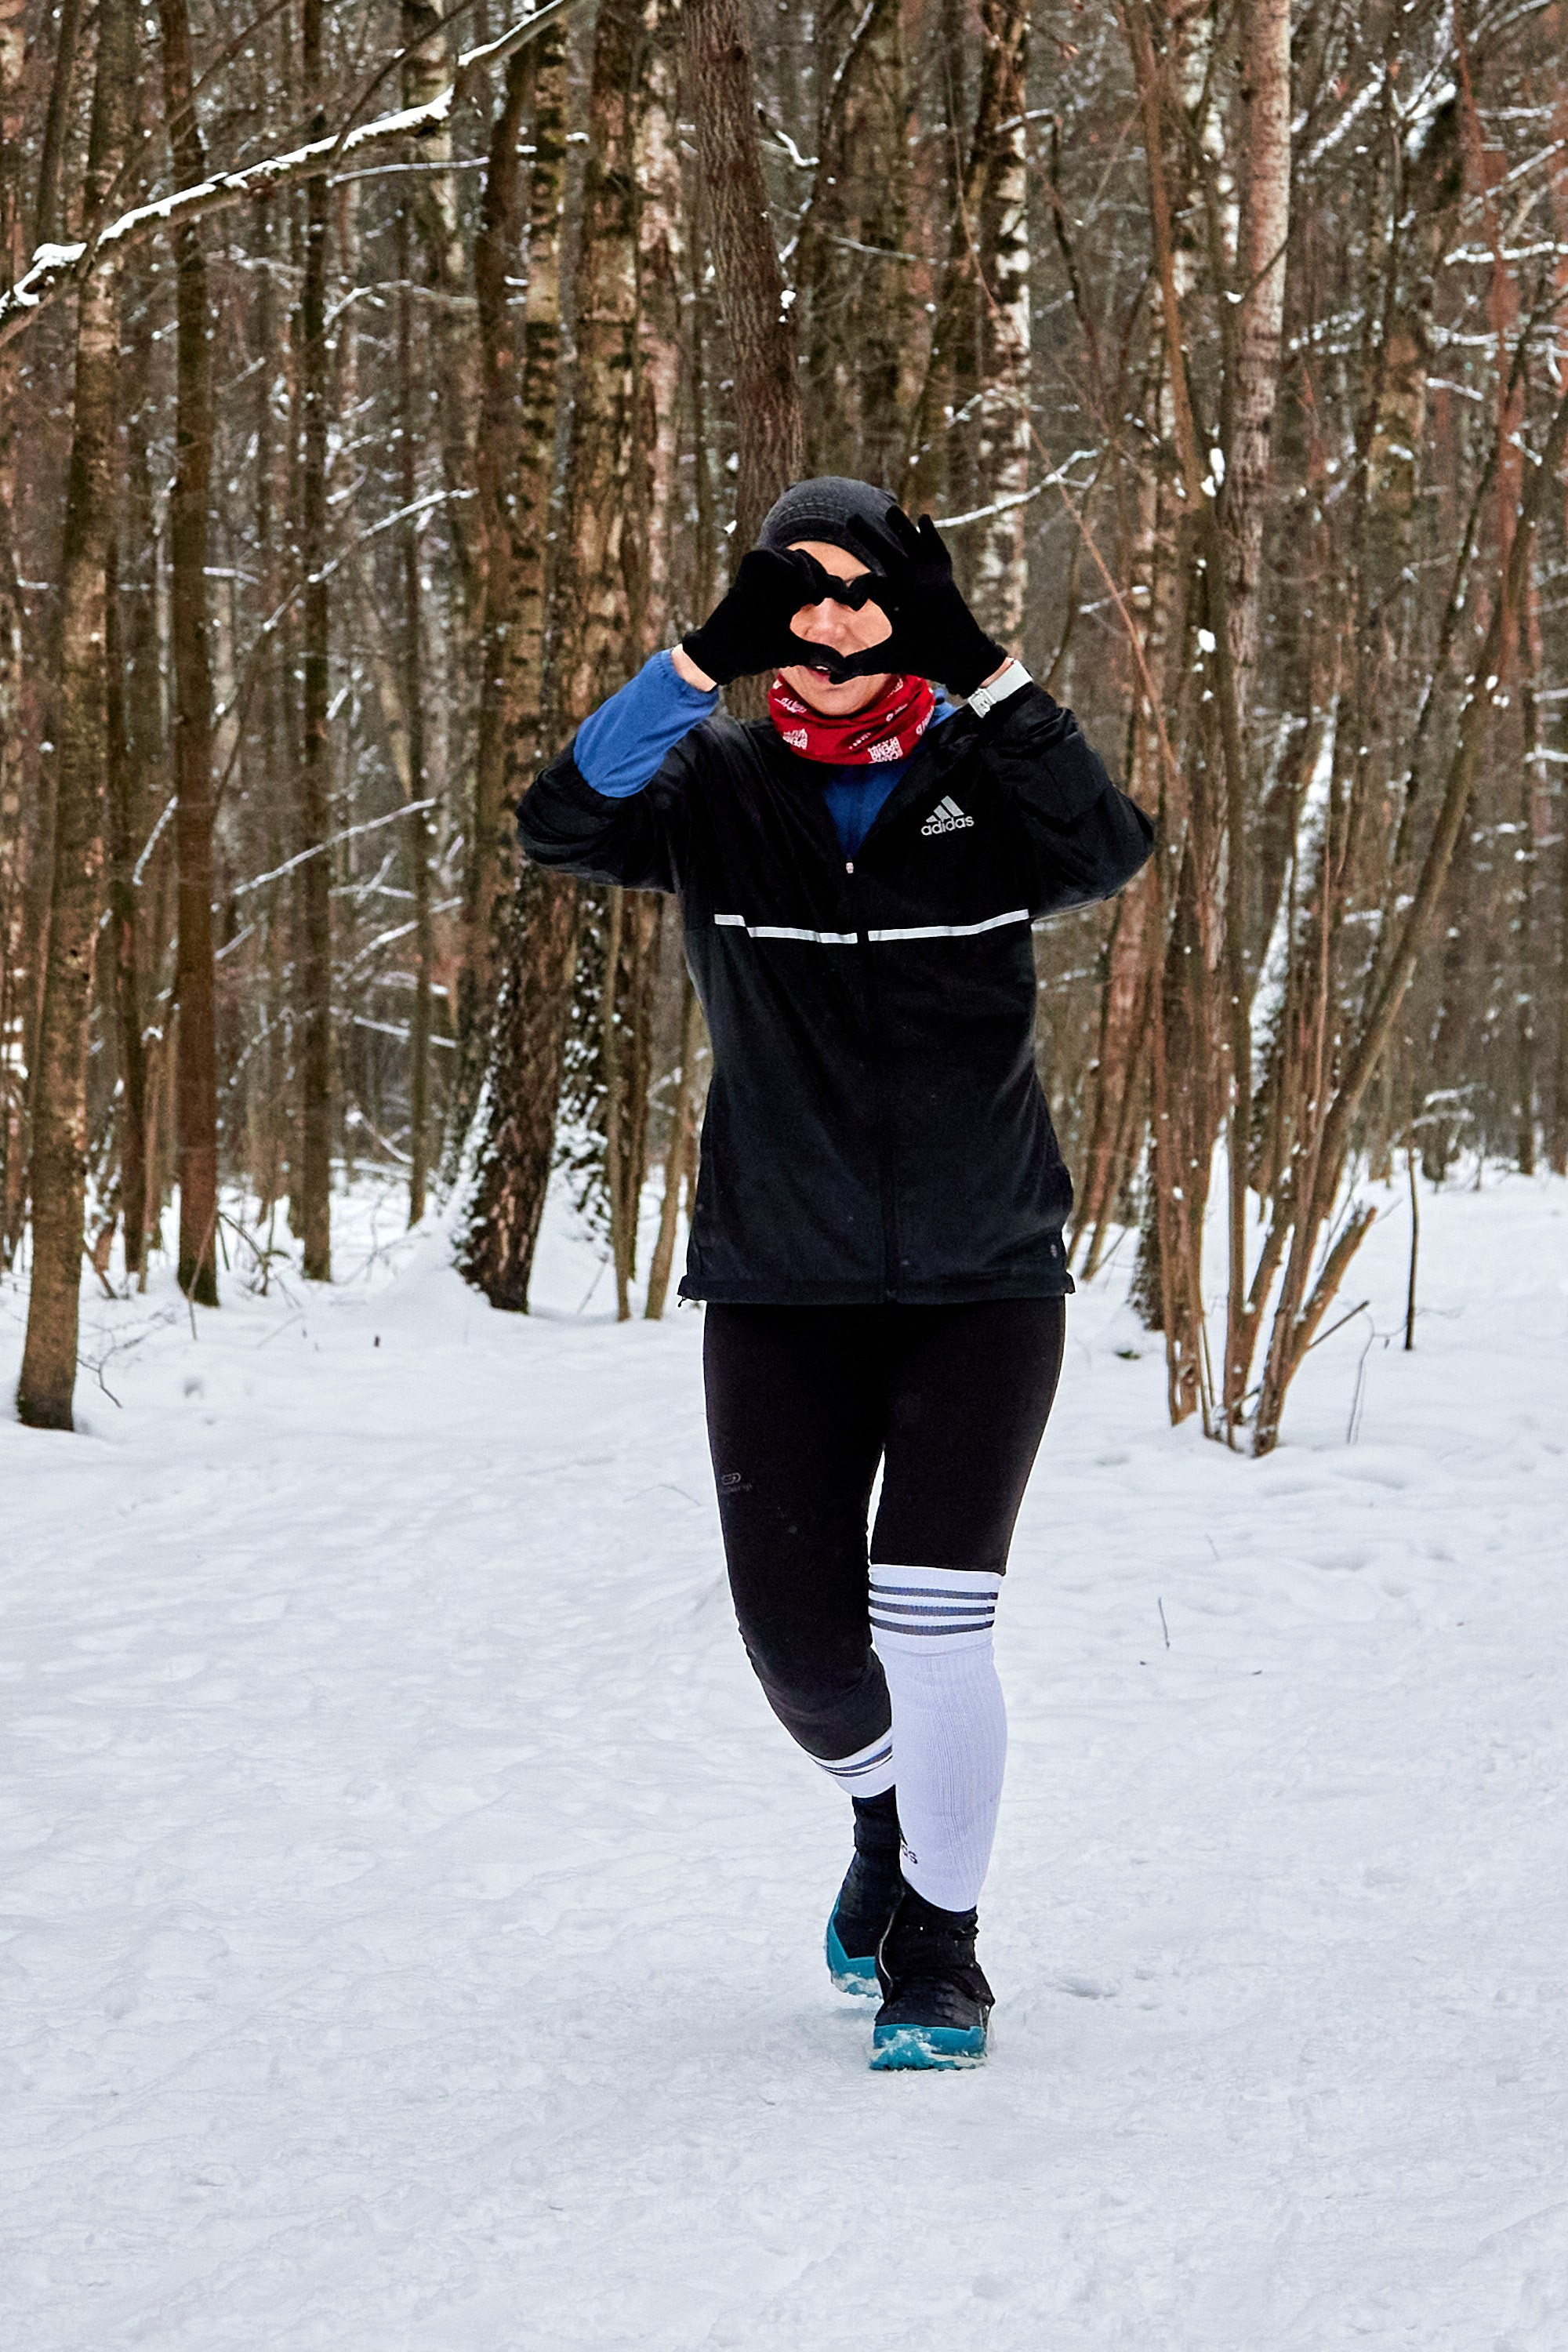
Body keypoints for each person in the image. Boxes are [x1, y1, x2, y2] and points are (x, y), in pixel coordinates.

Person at [519, 477, 1153, 2069]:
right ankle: (883, 1816)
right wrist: (691, 660)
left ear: (914, 606)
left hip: (980, 1272)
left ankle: (940, 1951)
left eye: (865, 590)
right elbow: (561, 820)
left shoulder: (983, 769)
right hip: (780, 1278)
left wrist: (981, 664)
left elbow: (1104, 848)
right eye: (792, 595)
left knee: (932, 1617)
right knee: (798, 1645)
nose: (831, 622)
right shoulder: (715, 782)